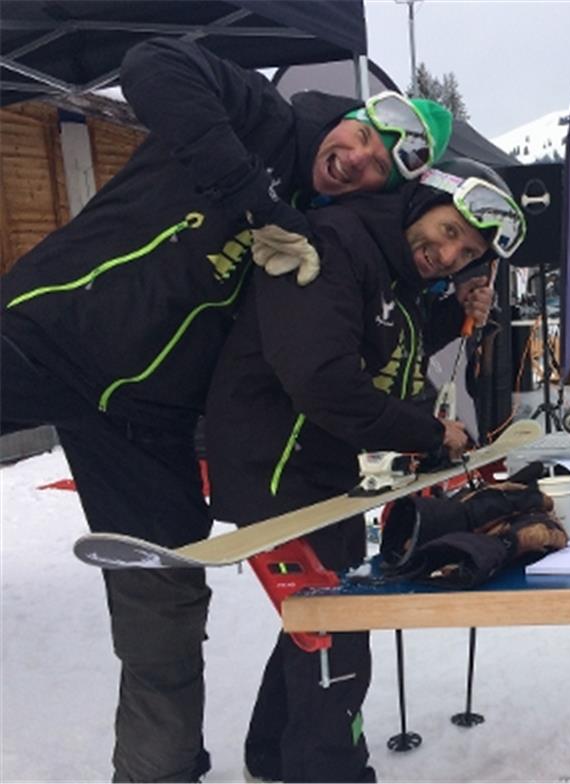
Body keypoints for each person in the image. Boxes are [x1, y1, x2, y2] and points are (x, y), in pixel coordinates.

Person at [0, 36, 452, 781]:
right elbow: (152, 64)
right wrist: (256, 203)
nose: (358, 158)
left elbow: (359, 332)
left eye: (380, 166)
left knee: (165, 598)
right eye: (365, 134)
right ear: (352, 117)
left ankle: (161, 769)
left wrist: (449, 304)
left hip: (145, 424)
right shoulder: (261, 118)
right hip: (47, 333)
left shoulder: (331, 239)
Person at [204, 158, 522, 781]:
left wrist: (446, 313)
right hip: (278, 467)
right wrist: (431, 433)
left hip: (316, 472)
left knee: (317, 613)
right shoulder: (336, 243)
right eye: (448, 228)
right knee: (337, 622)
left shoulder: (392, 273)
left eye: (467, 251)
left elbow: (384, 360)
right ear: (421, 200)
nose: (449, 253)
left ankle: (272, 754)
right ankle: (328, 770)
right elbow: (324, 382)